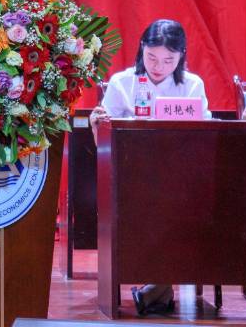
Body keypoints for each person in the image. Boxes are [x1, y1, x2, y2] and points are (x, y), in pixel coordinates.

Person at [89, 19, 210, 315]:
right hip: (131, 177)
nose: (158, 67)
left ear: (181, 56)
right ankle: (157, 290)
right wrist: (96, 124)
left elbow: (204, 136)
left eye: (169, 60)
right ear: (141, 49)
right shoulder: (122, 82)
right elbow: (103, 143)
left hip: (179, 179)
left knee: (179, 206)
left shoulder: (192, 85)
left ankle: (156, 289)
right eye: (152, 57)